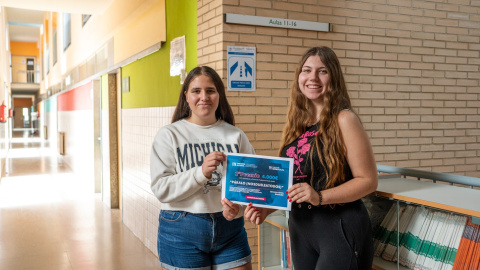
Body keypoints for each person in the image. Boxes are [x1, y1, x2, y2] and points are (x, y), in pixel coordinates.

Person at [245, 47, 378, 269]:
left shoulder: (344, 119)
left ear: (333, 77)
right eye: (307, 70)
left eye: (322, 71)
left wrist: (320, 196)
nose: (313, 77)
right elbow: (294, 185)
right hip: (301, 229)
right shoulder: (297, 125)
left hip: (339, 228)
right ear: (299, 76)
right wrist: (266, 208)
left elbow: (368, 180)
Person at [150, 66, 255, 270]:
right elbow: (161, 189)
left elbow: (248, 184)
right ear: (186, 96)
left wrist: (239, 207)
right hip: (181, 228)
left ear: (219, 95)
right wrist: (201, 173)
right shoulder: (169, 135)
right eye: (196, 91)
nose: (204, 97)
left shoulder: (236, 135)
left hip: (230, 229)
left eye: (211, 90)